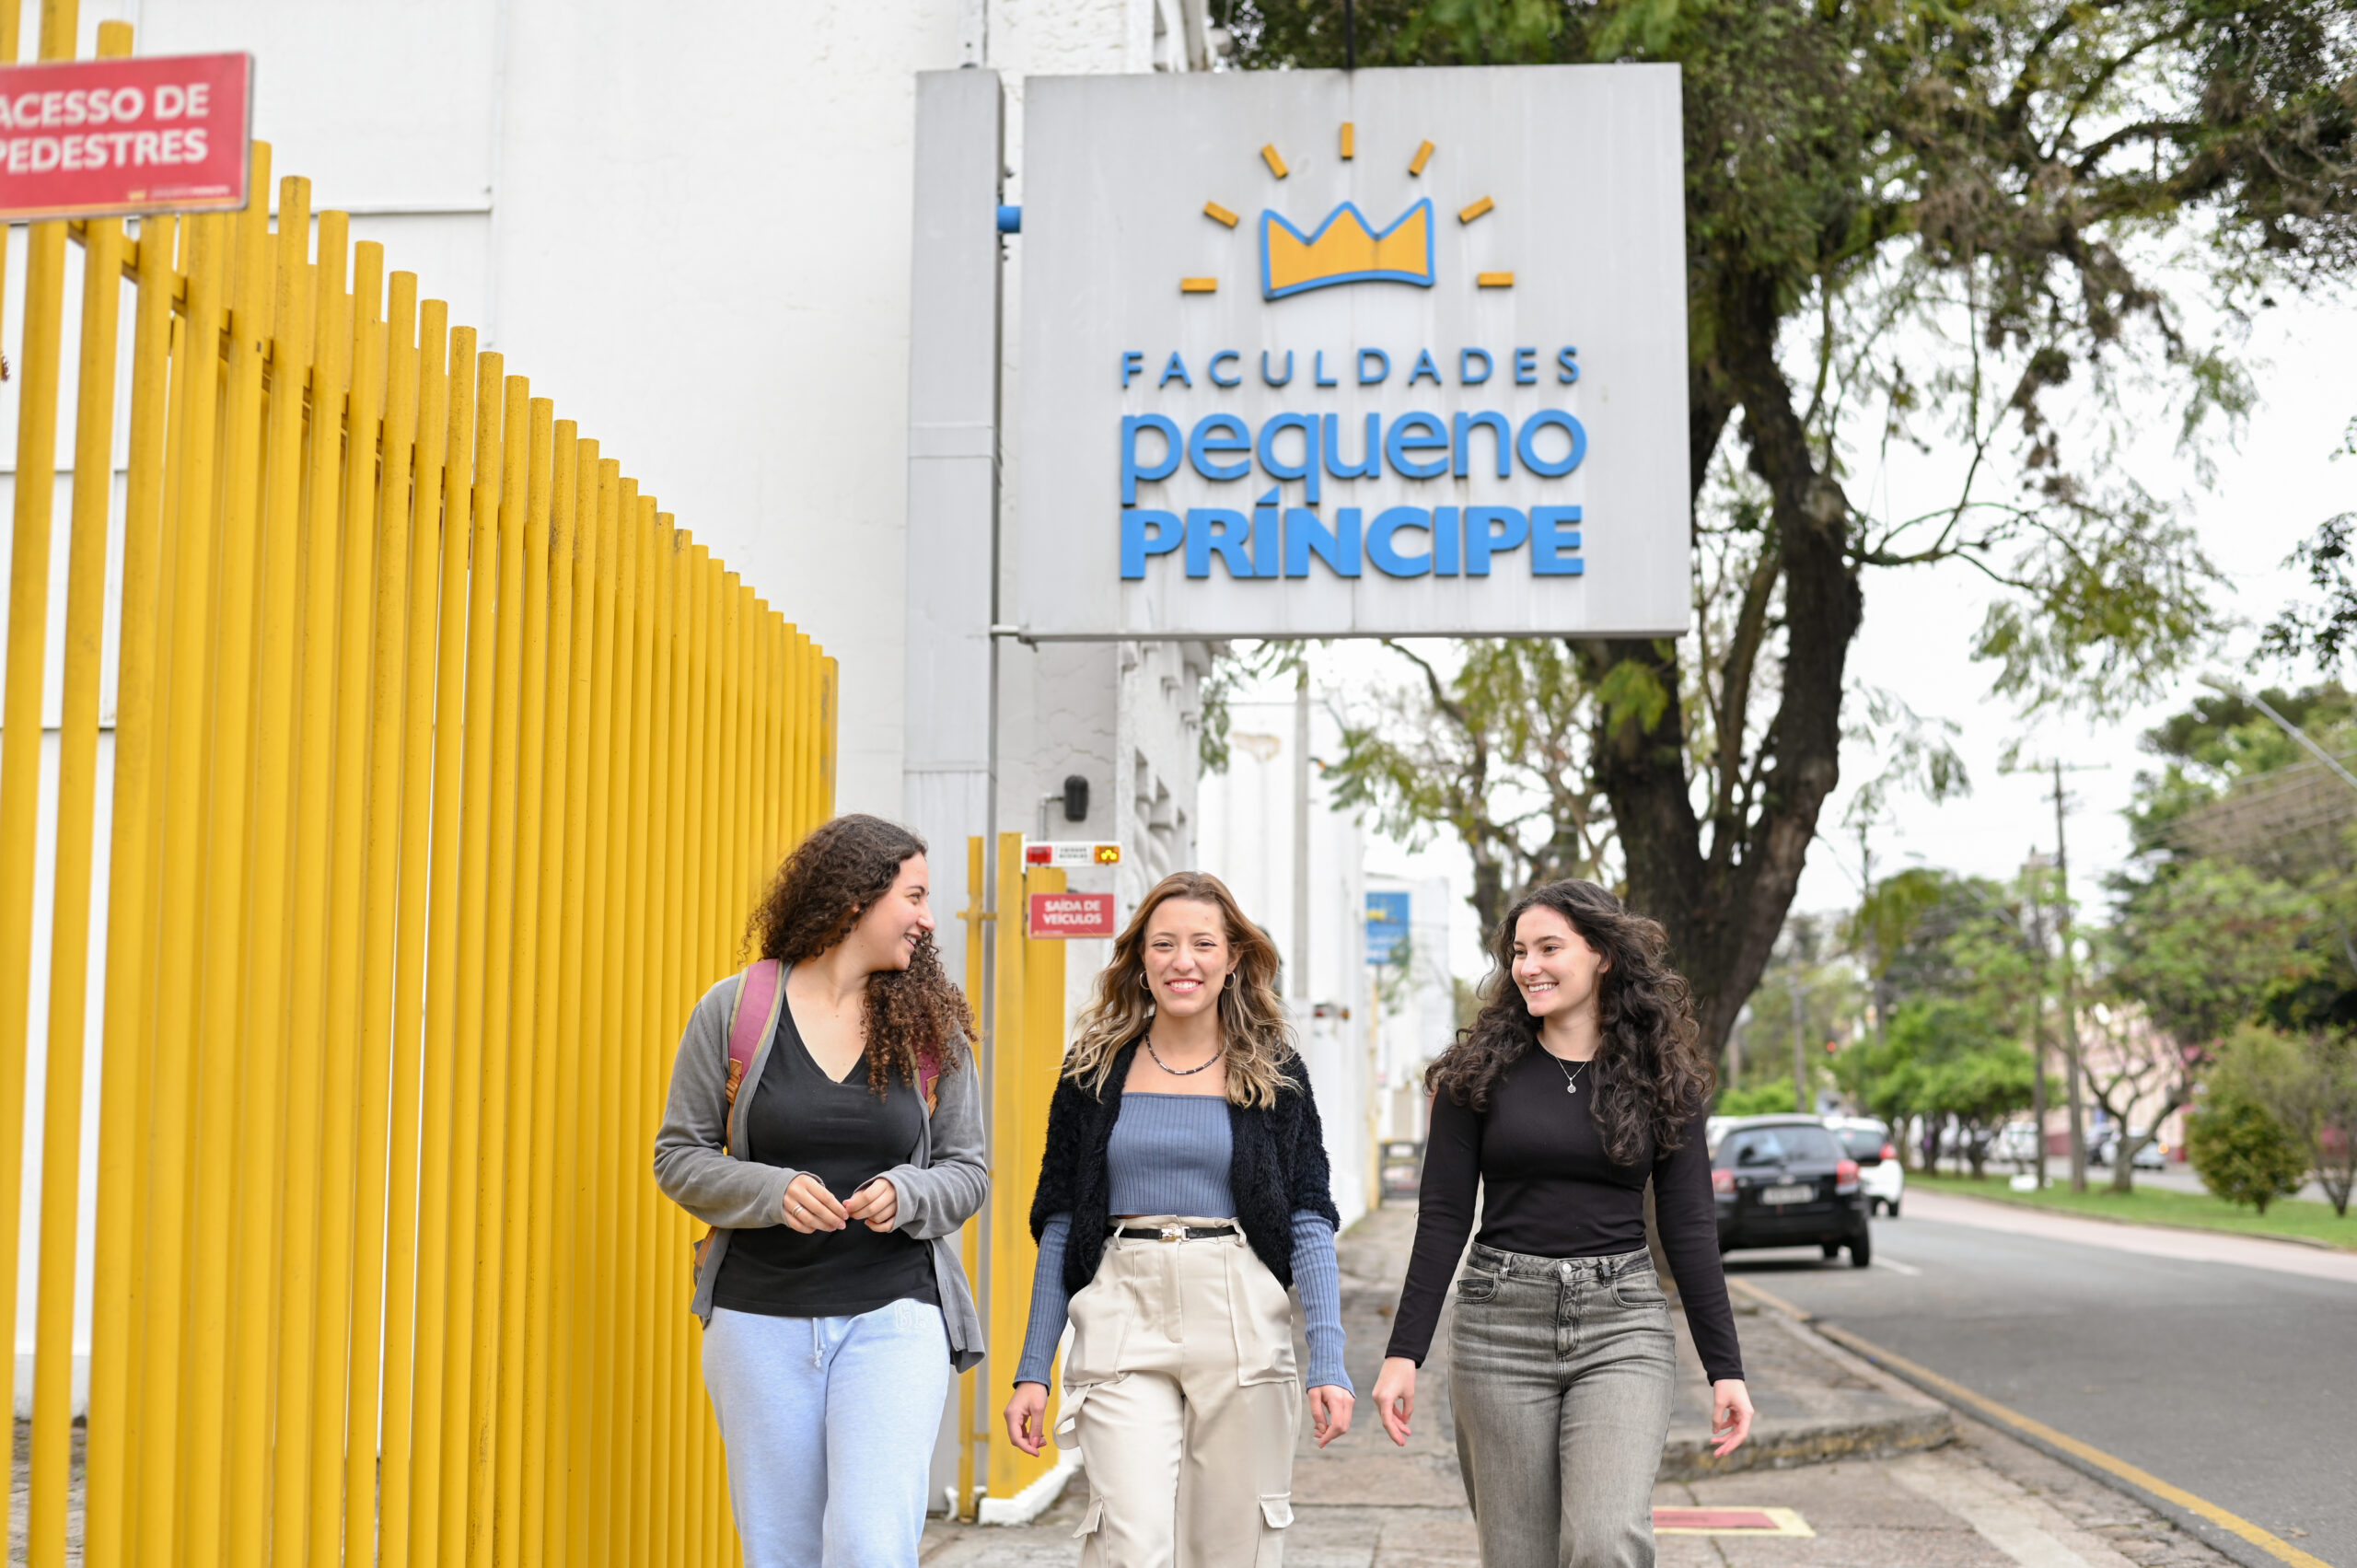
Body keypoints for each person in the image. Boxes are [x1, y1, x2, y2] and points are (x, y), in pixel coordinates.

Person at [1369, 879, 1752, 1568]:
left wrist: (1726, 1367)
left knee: (1606, 1540)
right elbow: (1445, 1216)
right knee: (1519, 1555)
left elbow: (1691, 1224)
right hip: (1498, 1326)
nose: (1528, 966)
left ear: (1603, 953)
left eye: (1550, 947)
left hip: (1622, 1323)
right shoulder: (1474, 1075)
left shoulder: (1664, 1078)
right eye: (1519, 951)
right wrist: (1404, 1351)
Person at [654, 814, 986, 1568]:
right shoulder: (734, 1010)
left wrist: (908, 1192)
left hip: (897, 1310)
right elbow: (678, 1155)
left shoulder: (932, 1026)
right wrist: (770, 1190)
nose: (928, 919)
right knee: (782, 1550)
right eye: (915, 895)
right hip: (758, 1318)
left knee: (870, 1544)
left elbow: (967, 1170)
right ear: (855, 899)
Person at [1004, 871, 1353, 1566]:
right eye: (1163, 944)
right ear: (1140, 959)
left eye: (1201, 943)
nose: (1181, 960)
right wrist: (1032, 1368)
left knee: (1232, 1547)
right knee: (1127, 1543)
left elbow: (1309, 1214)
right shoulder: (1092, 1072)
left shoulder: (1276, 1071)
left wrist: (1330, 1361)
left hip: (1238, 1309)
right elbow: (1063, 1219)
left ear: (1232, 959)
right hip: (1120, 1308)